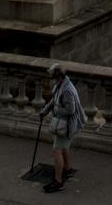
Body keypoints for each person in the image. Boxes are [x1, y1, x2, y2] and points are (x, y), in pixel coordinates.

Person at [39, 63, 87, 193]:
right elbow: (54, 101)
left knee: (56, 151)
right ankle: (67, 169)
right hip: (63, 124)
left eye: (52, 77)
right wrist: (45, 111)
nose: (51, 79)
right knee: (63, 147)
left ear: (58, 77)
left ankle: (58, 182)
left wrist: (55, 110)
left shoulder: (66, 90)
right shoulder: (59, 85)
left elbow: (70, 110)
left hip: (67, 125)